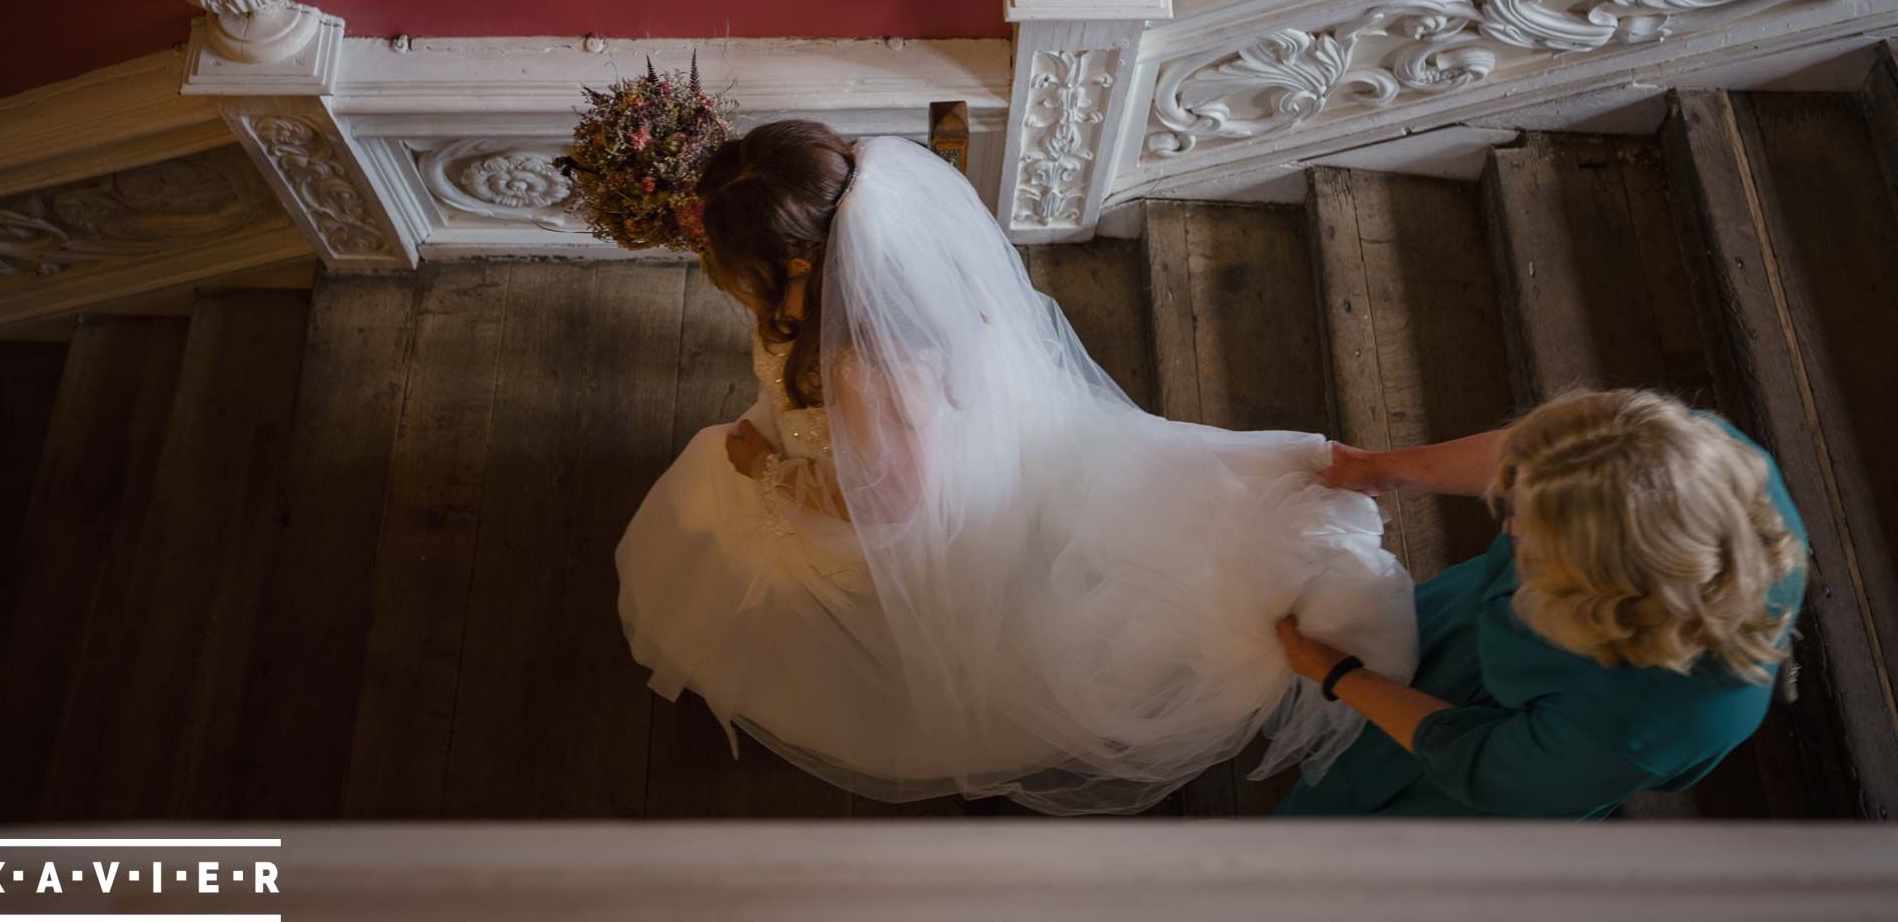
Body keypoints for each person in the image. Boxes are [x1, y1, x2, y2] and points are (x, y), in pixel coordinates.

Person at [615, 120, 1417, 815]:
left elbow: (890, 501)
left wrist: (765, 470)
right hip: (919, 445)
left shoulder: (864, 362)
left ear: (796, 255)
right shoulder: (888, 257)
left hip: (882, 514)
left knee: (710, 495)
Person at [1272, 389, 1807, 818]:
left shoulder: (1635, 727)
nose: (1505, 526)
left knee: (1355, 806)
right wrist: (1384, 467)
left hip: (1481, 743)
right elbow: (1539, 456)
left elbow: (1476, 761)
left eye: (1528, 532)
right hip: (1477, 627)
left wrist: (1338, 673)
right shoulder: (1688, 459)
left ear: (1600, 584)